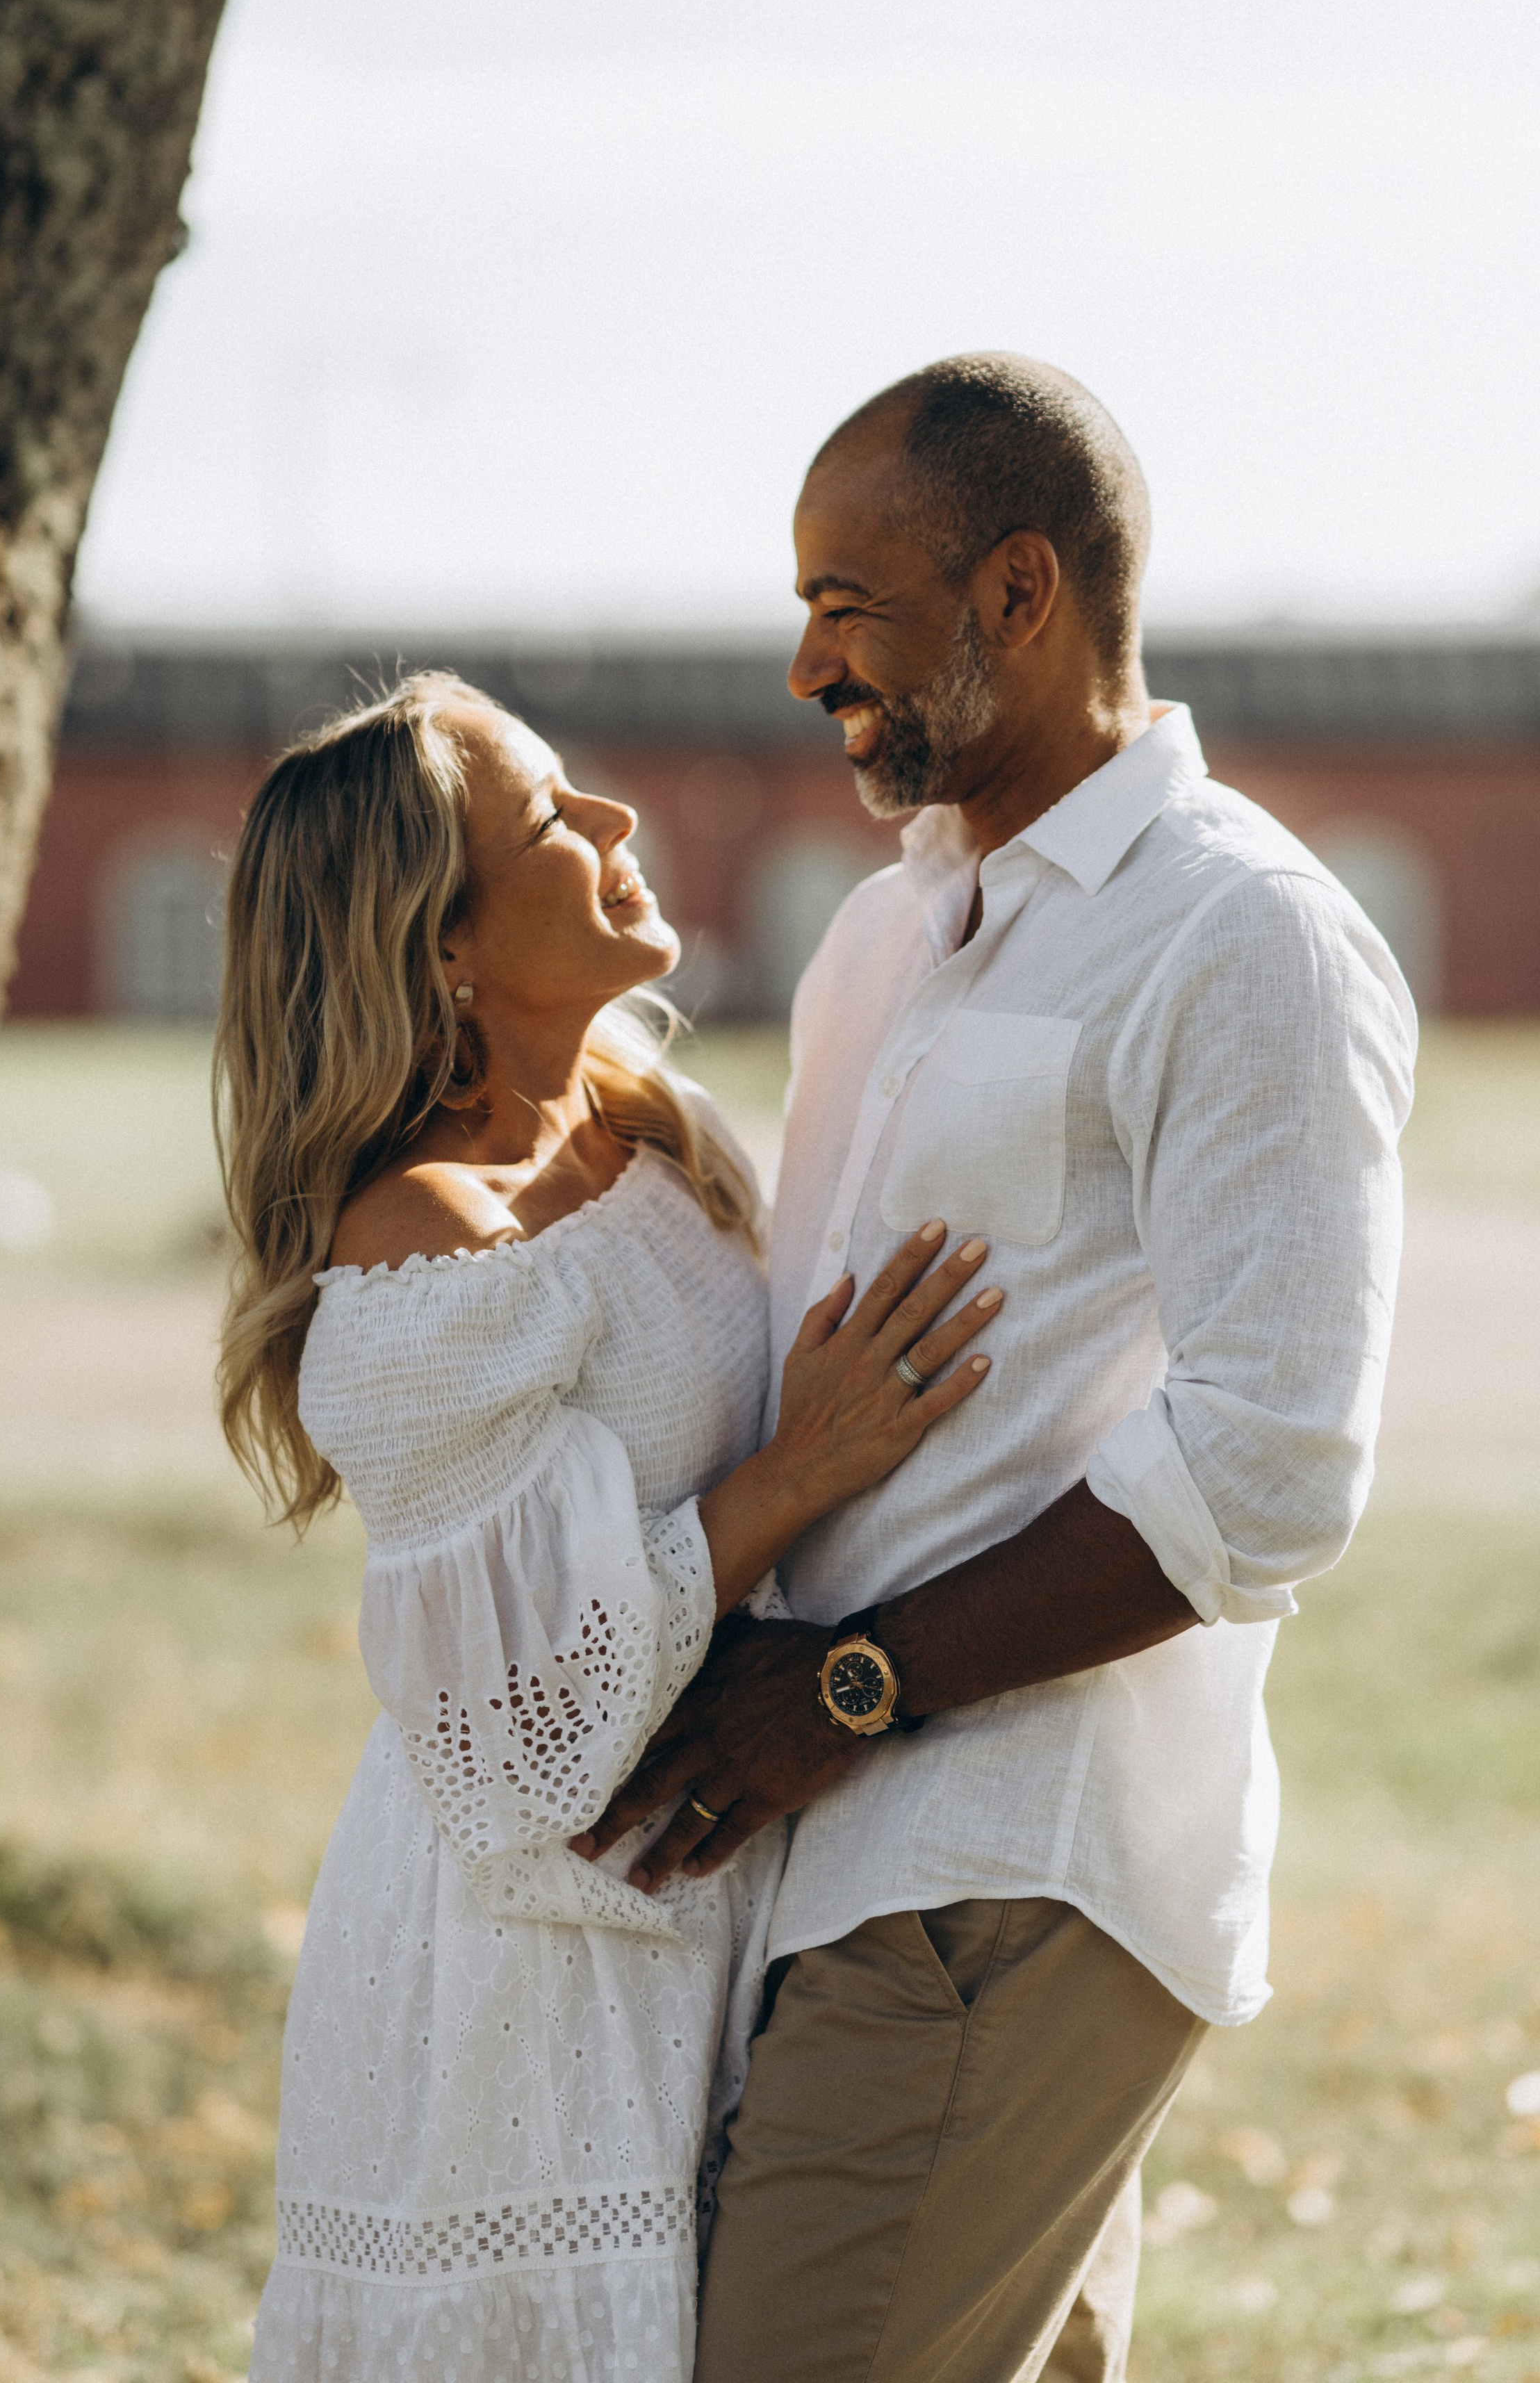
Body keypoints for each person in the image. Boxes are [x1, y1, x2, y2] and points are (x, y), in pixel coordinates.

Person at [579, 354, 1418, 2383]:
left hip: (1007, 1858)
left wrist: (856, 1686)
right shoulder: (886, 937)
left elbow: (1272, 1466)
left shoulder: (1247, 942)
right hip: (827, 1850)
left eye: (849, 606)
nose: (805, 666)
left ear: (1018, 592)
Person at [213, 672, 1006, 2383]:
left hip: (697, 1852)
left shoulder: (641, 1125)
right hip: (521, 1942)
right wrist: (804, 1465)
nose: (614, 825)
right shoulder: (423, 1240)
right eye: (546, 823)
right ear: (439, 947)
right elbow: (516, 1715)